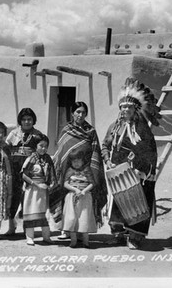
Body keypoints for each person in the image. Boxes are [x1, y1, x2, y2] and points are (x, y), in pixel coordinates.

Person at [101, 78, 161, 249]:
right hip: (118, 173)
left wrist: (140, 168)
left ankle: (134, 237)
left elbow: (150, 152)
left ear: (136, 108)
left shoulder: (142, 129)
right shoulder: (115, 126)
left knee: (136, 204)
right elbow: (105, 145)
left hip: (137, 174)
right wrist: (108, 161)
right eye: (123, 107)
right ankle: (119, 234)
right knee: (118, 204)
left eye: (129, 107)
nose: (125, 109)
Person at [49, 102, 107, 241]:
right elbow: (62, 151)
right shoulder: (66, 130)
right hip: (68, 171)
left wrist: (93, 171)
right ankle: (66, 230)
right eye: (78, 112)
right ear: (72, 113)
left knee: (84, 203)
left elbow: (95, 151)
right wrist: (61, 170)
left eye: (83, 112)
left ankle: (82, 230)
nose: (80, 115)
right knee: (67, 200)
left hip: (85, 172)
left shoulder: (91, 131)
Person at [4, 108, 44, 235]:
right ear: (20, 121)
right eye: (24, 119)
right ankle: (11, 227)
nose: (27, 122)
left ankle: (28, 228)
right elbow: (6, 149)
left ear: (33, 120)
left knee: (28, 197)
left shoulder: (38, 135)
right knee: (13, 195)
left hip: (30, 169)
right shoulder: (14, 134)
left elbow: (42, 151)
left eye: (29, 119)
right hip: (15, 168)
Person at [21, 135, 56, 245]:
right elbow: (24, 175)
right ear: (35, 146)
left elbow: (52, 174)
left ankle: (46, 236)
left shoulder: (48, 159)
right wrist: (36, 184)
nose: (43, 149)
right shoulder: (31, 159)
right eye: (41, 146)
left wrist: (50, 185)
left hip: (44, 190)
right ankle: (30, 237)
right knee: (31, 213)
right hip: (32, 190)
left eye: (46, 146)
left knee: (44, 214)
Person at [62, 150, 97, 248]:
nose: (76, 163)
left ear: (83, 160)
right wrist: (75, 190)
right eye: (74, 161)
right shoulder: (69, 171)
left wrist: (84, 191)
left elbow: (92, 183)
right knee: (72, 218)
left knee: (84, 218)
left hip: (85, 198)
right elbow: (65, 184)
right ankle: (73, 241)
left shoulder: (87, 170)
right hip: (72, 197)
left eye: (78, 160)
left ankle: (86, 241)